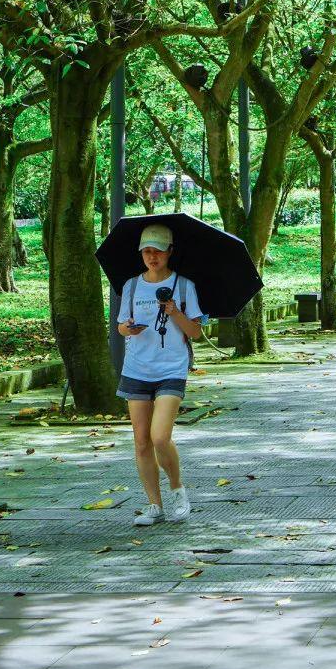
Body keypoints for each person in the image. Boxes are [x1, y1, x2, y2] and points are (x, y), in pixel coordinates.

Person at [116, 223, 203, 525]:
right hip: (137, 368)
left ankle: (178, 490)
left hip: (171, 368)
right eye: (146, 251)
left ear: (170, 252)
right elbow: (120, 326)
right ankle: (155, 505)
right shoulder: (131, 285)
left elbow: (195, 331)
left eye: (158, 251)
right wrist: (126, 328)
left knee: (159, 437)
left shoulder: (183, 286)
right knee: (141, 442)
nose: (152, 257)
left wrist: (175, 312)